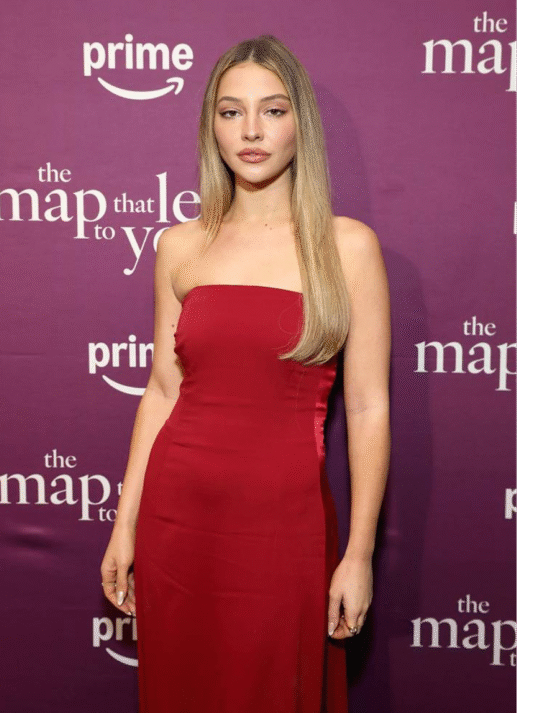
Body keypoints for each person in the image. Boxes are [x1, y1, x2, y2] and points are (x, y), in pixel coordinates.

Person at [100, 34, 390, 713]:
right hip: (178, 521)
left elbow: (371, 407)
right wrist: (125, 521)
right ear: (211, 127)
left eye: (272, 110)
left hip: (282, 526)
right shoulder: (179, 243)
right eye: (230, 112)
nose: (251, 130)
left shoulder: (346, 246)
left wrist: (359, 552)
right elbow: (163, 390)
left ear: (301, 123)